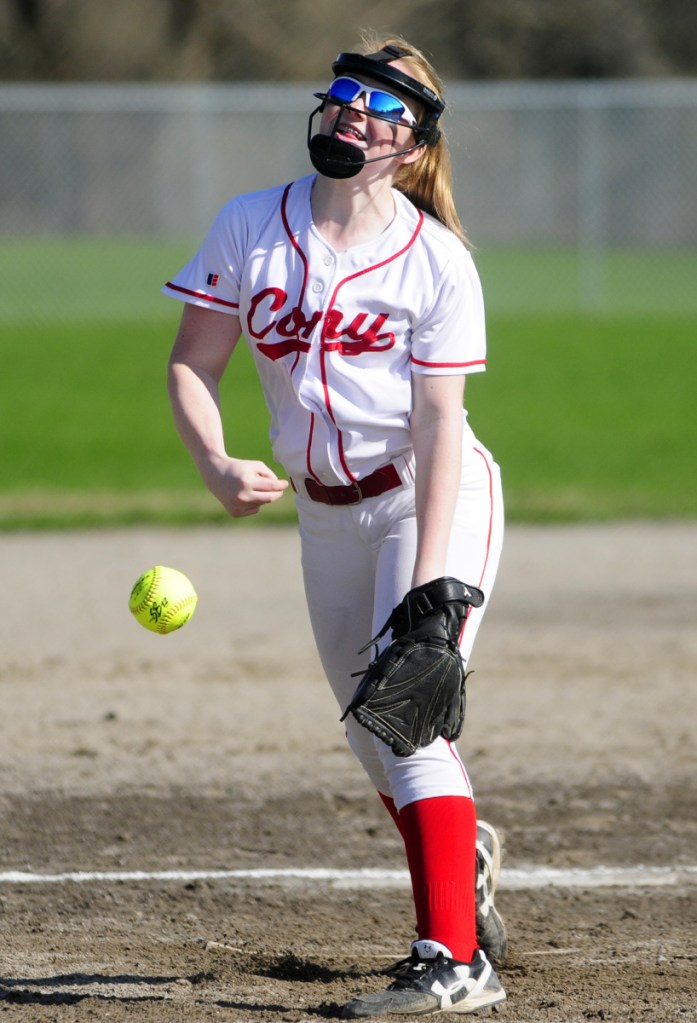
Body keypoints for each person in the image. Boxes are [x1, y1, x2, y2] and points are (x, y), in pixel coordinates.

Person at [164, 32, 507, 1017]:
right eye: (343, 94)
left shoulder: (434, 262)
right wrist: (216, 459)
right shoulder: (250, 226)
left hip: (424, 497)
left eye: (378, 106)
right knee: (370, 735)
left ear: (409, 143)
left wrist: (437, 582)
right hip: (324, 517)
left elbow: (442, 428)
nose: (351, 112)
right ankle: (462, 857)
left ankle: (453, 960)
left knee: (406, 717)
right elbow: (194, 360)